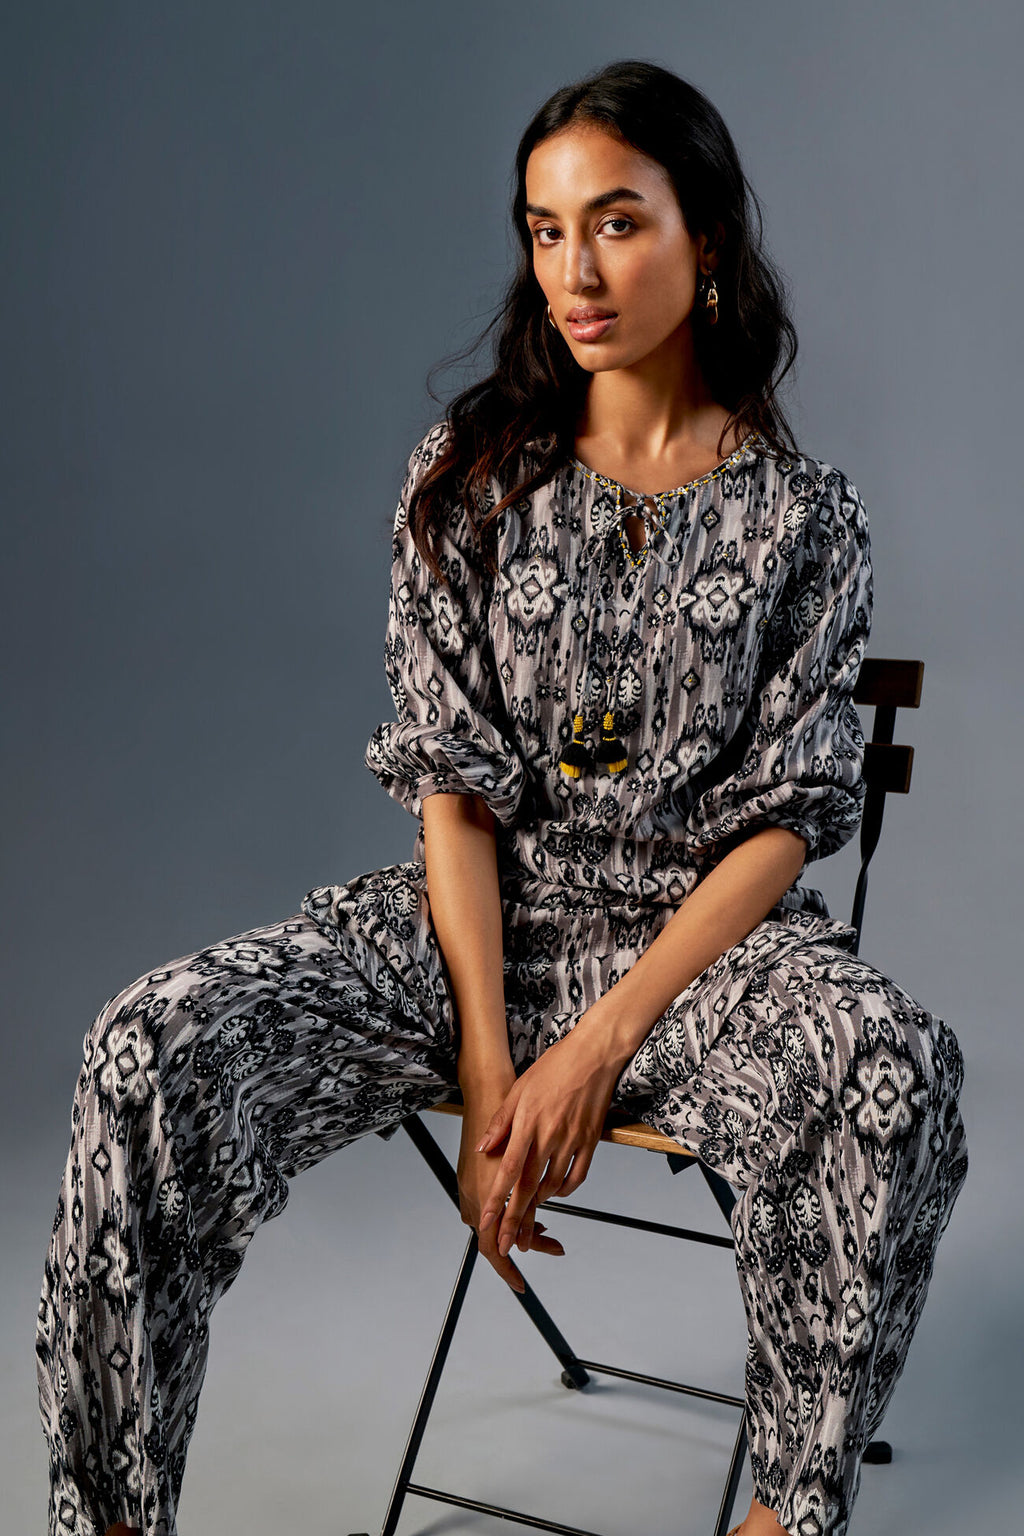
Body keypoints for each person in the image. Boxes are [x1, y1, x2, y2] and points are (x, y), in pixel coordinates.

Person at [35, 58, 968, 1536]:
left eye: (616, 223)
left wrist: (602, 1043)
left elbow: (788, 817)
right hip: (472, 939)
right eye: (544, 231)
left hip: (693, 966)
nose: (574, 273)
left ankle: (786, 1516)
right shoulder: (466, 480)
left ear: (706, 237)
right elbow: (454, 792)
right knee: (146, 1049)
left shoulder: (806, 514)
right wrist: (490, 1064)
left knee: (899, 1073)